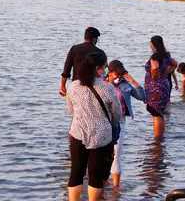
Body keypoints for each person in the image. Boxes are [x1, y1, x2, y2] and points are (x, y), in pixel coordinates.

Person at [67, 52, 121, 201]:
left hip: (78, 133)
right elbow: (117, 115)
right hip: (101, 136)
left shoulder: (73, 87)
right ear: (98, 69)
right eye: (104, 67)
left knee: (76, 173)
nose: (105, 70)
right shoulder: (108, 88)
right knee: (95, 175)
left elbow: (70, 109)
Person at [105, 60, 146, 188]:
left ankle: (116, 187)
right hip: (103, 121)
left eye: (121, 73)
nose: (119, 76)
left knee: (116, 154)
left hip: (120, 121)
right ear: (110, 72)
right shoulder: (102, 84)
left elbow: (142, 97)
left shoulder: (125, 84)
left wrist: (131, 80)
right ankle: (103, 180)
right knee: (102, 154)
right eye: (116, 73)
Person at [144, 35, 178, 139]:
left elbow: (154, 68)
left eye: (150, 42)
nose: (150, 44)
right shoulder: (166, 55)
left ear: (154, 44)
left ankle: (157, 139)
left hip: (156, 87)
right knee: (160, 112)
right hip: (165, 84)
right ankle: (160, 138)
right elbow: (175, 64)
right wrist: (166, 72)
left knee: (155, 112)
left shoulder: (155, 56)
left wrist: (154, 77)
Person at [60, 27, 103, 97]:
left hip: (76, 87)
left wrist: (62, 86)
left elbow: (66, 70)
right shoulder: (99, 52)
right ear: (94, 39)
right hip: (94, 87)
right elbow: (102, 72)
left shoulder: (74, 49)